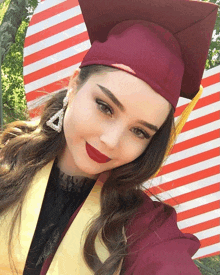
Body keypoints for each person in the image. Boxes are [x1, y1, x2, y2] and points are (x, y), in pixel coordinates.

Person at [0, 0, 218, 274]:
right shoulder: (5, 160)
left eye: (139, 131)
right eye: (105, 107)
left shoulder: (143, 227)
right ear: (74, 85)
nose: (111, 141)